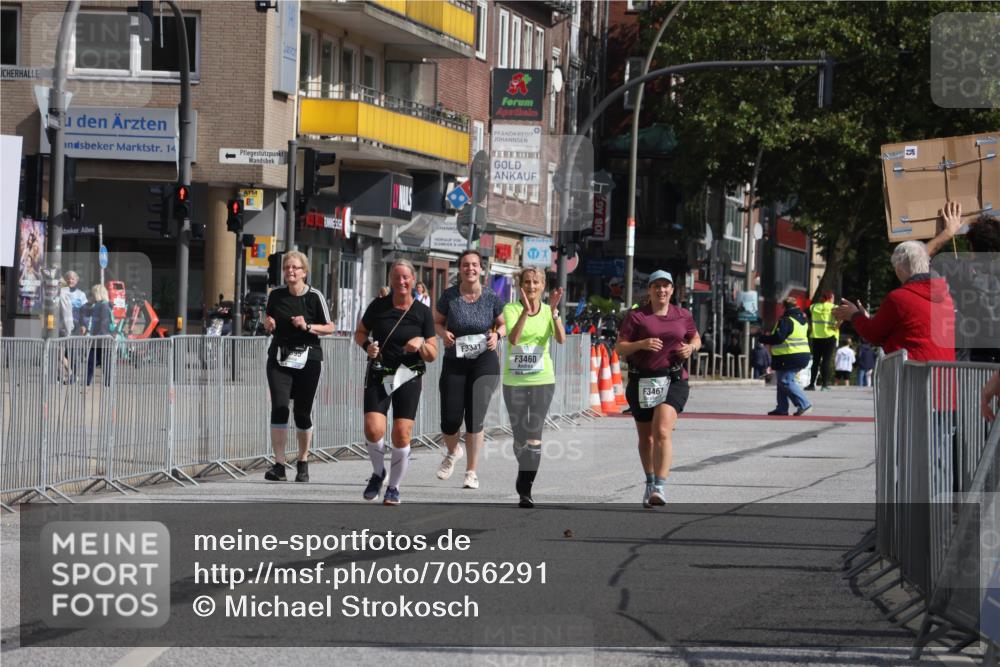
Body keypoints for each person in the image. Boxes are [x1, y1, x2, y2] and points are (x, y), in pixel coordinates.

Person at [615, 270, 701, 508]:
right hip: (642, 381)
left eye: (666, 286)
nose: (661, 290)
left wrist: (691, 349)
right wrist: (641, 344)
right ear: (650, 290)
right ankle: (650, 482)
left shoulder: (683, 315)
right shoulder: (636, 317)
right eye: (657, 286)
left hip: (673, 380)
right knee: (647, 437)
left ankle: (660, 488)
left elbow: (696, 338)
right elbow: (620, 348)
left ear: (672, 290)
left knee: (662, 430)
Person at [354, 260, 438, 505]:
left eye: (405, 277)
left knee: (401, 433)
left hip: (408, 373)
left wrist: (421, 345)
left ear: (413, 280)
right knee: (373, 428)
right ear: (390, 280)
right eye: (396, 277)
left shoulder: (422, 313)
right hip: (381, 371)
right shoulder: (378, 306)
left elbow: (433, 353)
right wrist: (367, 346)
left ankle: (394, 487)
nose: (401, 282)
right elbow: (360, 333)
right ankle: (378, 472)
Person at [434, 250, 506, 490]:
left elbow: (504, 324)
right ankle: (454, 451)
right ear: (460, 269)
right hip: (455, 360)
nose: (470, 269)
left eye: (474, 265)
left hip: (484, 361)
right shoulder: (449, 296)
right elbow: (436, 322)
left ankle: (471, 472)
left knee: (475, 418)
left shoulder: (491, 297)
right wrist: (443, 334)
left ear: (481, 269)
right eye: (466, 265)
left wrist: (497, 335)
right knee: (450, 420)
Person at [262, 251, 334, 483]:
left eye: (295, 268)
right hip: (280, 357)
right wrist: (268, 324)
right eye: (286, 268)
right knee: (280, 407)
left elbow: (330, 327)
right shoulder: (276, 295)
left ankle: (302, 461)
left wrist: (307, 325)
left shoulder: (314, 296)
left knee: (302, 412)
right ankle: (279, 465)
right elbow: (269, 320)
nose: (290, 271)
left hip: (308, 359)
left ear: (304, 271)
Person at [501, 267, 565, 508]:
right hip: (515, 381)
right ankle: (523, 470)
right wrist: (525, 314)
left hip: (542, 380)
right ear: (520, 285)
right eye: (527, 282)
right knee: (520, 437)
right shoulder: (511, 309)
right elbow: (514, 339)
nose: (531, 286)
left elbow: (561, 339)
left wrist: (556, 313)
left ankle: (525, 490)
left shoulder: (549, 311)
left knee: (534, 434)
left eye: (535, 282)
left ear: (543, 285)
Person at [834, 241, 955, 362]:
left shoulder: (899, 297)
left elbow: (874, 335)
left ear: (899, 268)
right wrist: (869, 320)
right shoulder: (946, 297)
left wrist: (854, 315)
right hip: (945, 376)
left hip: (912, 375)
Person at [926, 201, 1000, 364]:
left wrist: (945, 234)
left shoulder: (960, 271)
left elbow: (915, 263)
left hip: (970, 362)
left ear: (971, 246)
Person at [759, 296, 813, 417]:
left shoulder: (786, 320)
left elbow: (779, 338)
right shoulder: (803, 320)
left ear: (783, 307)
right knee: (781, 381)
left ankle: (804, 404)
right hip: (801, 354)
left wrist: (762, 338)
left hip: (790, 355)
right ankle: (782, 408)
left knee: (785, 381)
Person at [805, 290, 838, 391]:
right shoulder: (834, 307)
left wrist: (811, 326)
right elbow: (842, 317)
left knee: (815, 361)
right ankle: (824, 385)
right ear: (830, 298)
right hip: (829, 337)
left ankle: (811, 385)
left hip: (816, 337)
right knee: (826, 361)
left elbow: (805, 315)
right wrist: (837, 325)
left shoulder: (814, 307)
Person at [84, 284, 114, 386]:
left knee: (103, 363)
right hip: (99, 338)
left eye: (93, 294)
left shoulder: (103, 305)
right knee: (94, 362)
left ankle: (106, 384)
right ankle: (87, 382)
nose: (91, 296)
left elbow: (104, 324)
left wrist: (97, 337)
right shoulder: (98, 305)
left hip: (102, 339)